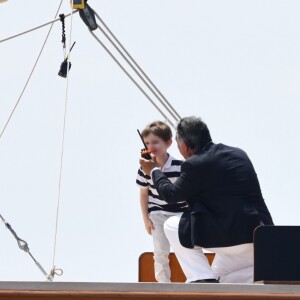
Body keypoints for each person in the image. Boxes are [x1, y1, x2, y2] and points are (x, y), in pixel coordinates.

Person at [139, 116, 274, 283]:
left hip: (230, 239)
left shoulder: (194, 164)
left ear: (186, 146)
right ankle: (260, 279)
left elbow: (171, 195)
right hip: (258, 237)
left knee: (172, 225)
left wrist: (153, 170)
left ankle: (200, 278)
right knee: (219, 279)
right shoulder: (239, 154)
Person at [136, 121, 188, 283]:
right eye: (147, 143)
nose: (151, 146)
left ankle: (192, 280)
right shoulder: (143, 168)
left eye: (156, 142)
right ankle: (163, 284)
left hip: (180, 213)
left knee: (186, 249)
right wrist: (146, 218)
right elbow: (144, 194)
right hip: (157, 213)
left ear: (168, 143)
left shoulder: (180, 166)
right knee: (160, 251)